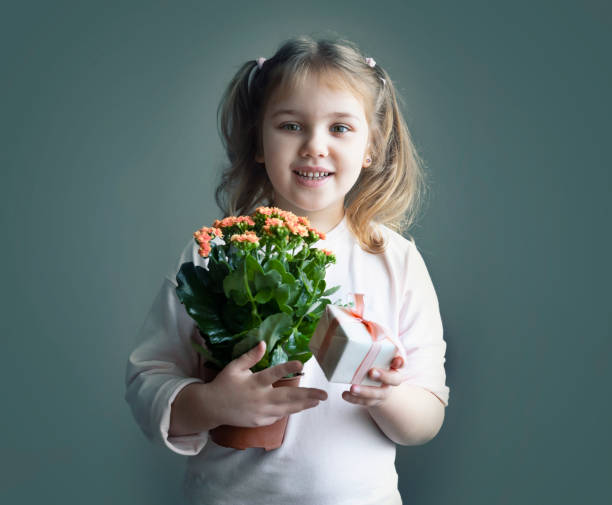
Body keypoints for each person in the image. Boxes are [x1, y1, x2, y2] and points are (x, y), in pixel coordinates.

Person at [125, 34, 450, 505]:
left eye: (340, 128)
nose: (314, 146)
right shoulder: (216, 252)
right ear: (259, 140)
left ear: (371, 147)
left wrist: (387, 397)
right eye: (291, 125)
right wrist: (214, 403)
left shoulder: (395, 261)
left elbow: (427, 416)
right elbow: (147, 381)